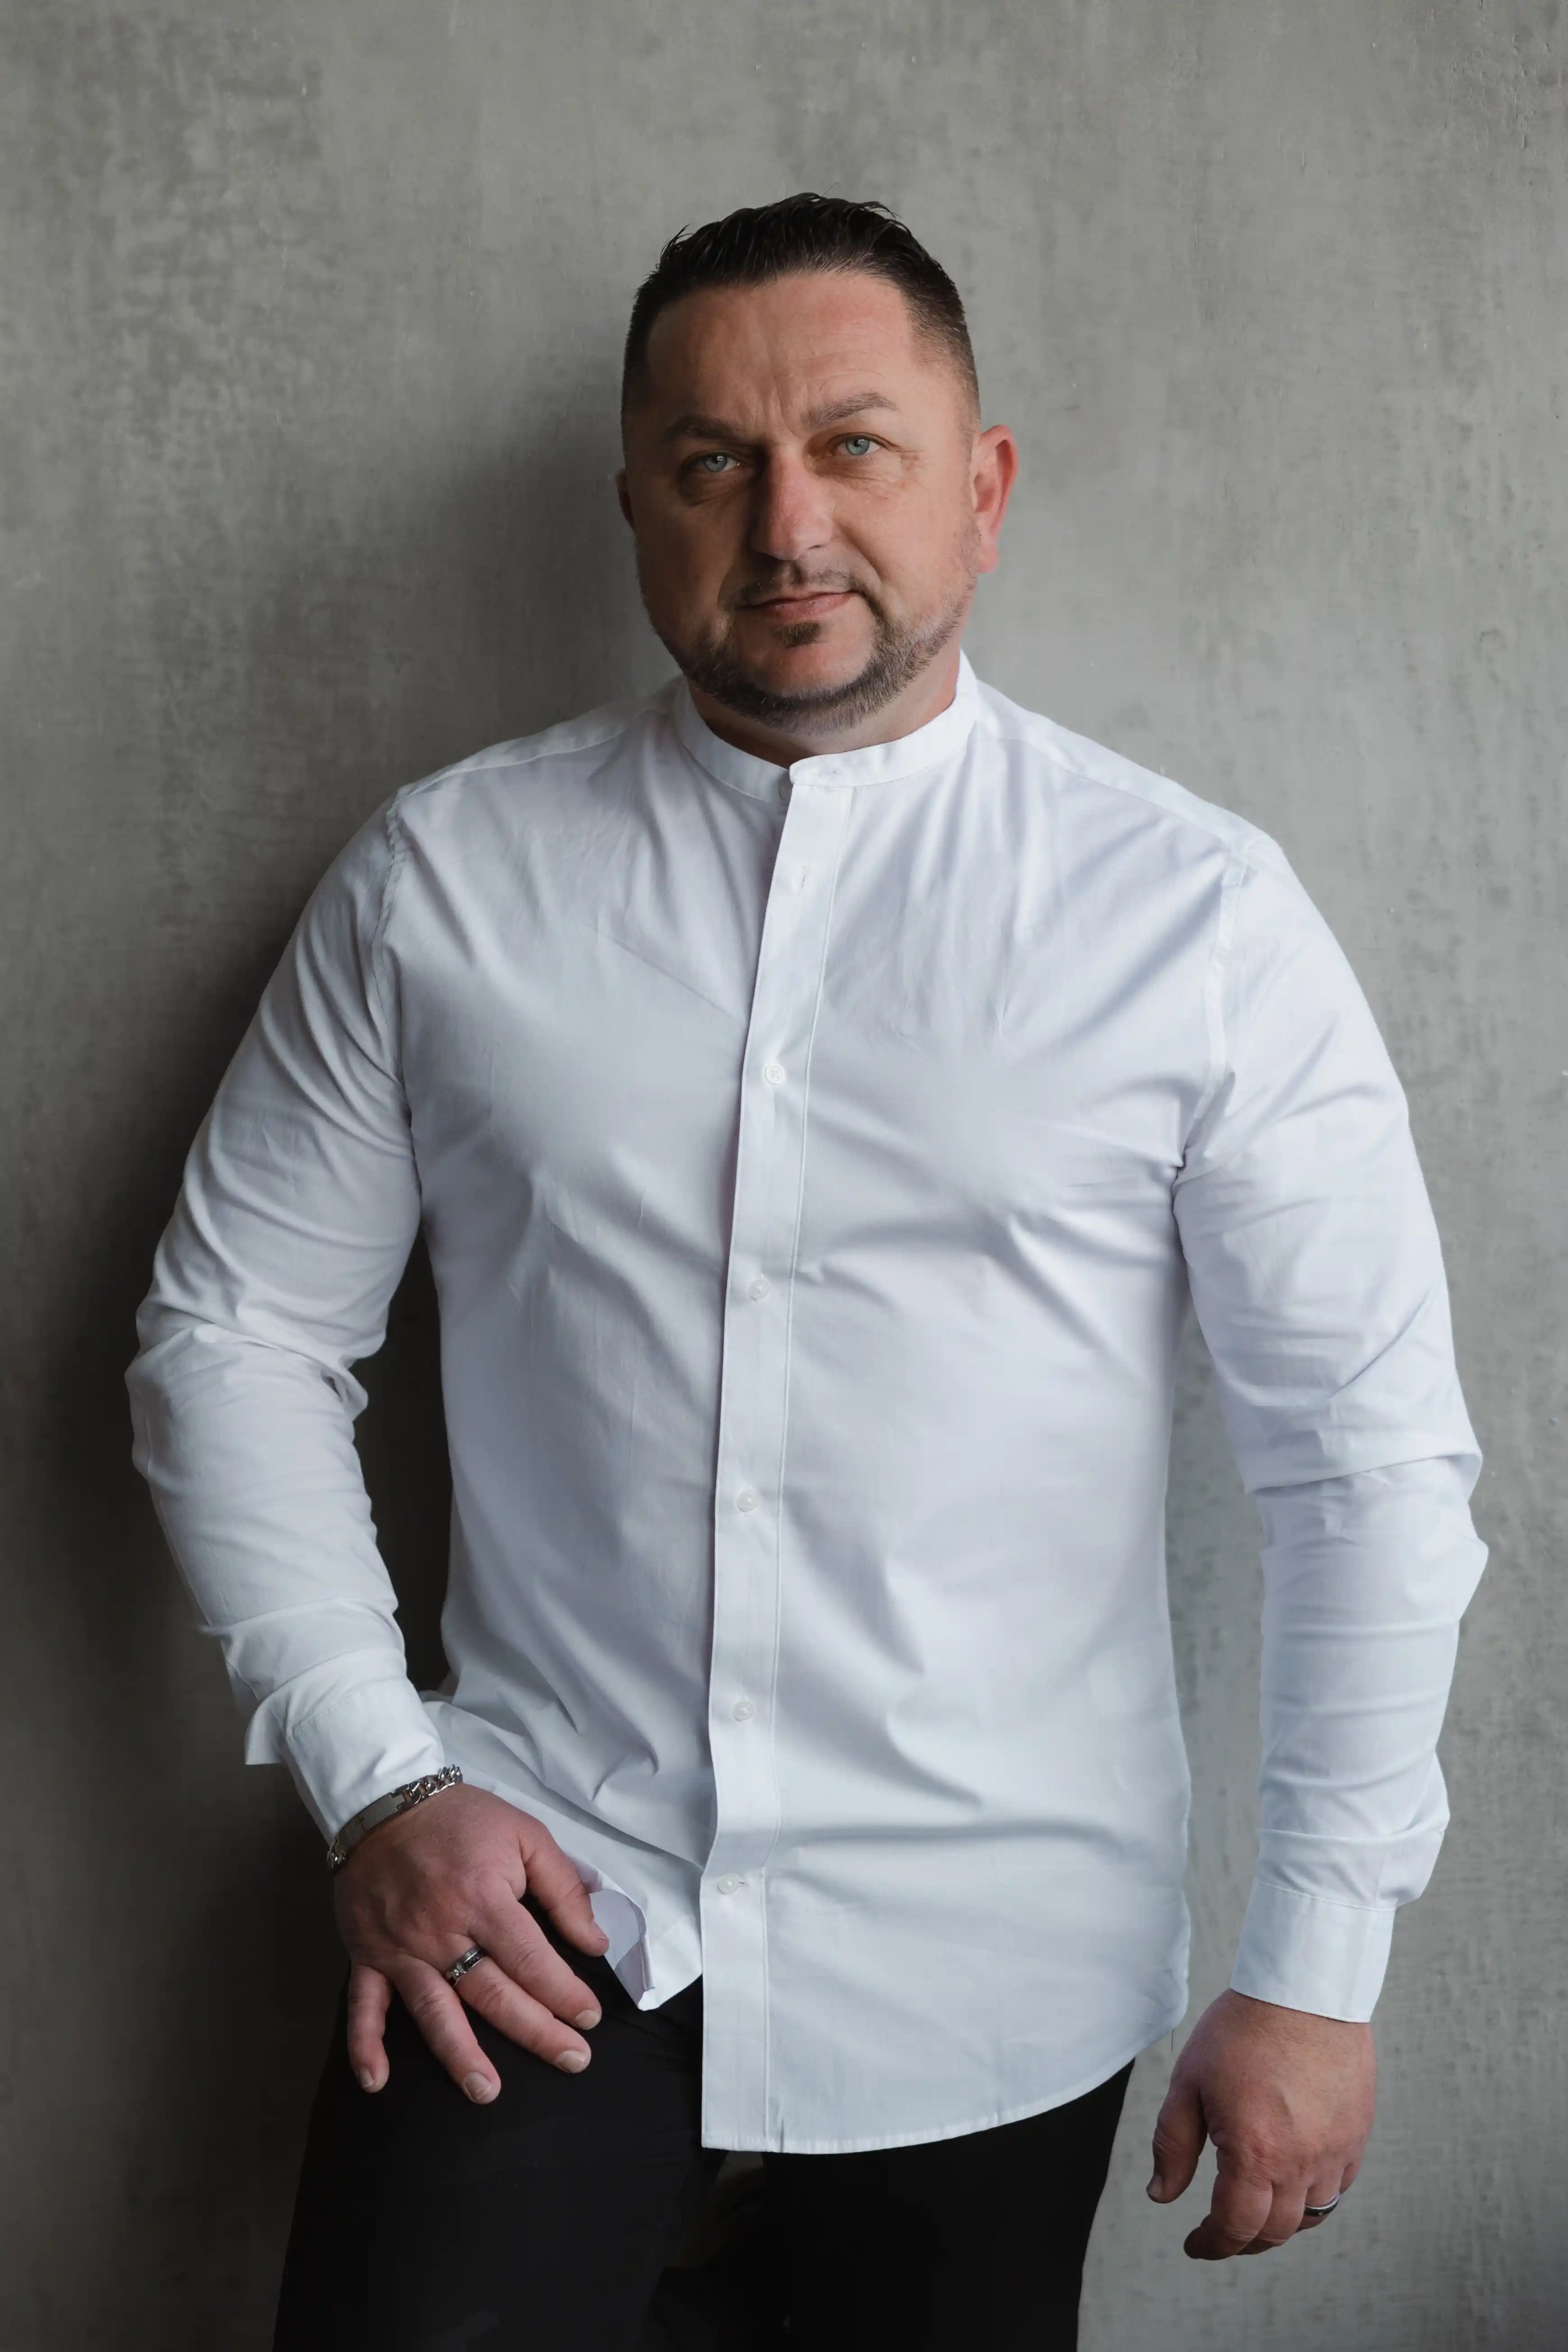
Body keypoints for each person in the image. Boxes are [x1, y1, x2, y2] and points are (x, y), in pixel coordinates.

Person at [126, 193, 1489, 2351]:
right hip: (531, 1913)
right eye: (712, 462)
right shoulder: (440, 881)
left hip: (996, 1958)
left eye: (853, 446)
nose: (786, 524)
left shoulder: (1196, 920)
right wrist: (379, 1772)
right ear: (636, 508)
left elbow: (1368, 1466)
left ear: (982, 487)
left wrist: (1317, 1968)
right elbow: (233, 1335)